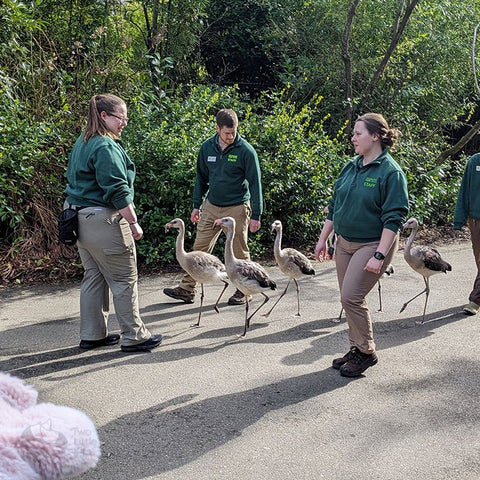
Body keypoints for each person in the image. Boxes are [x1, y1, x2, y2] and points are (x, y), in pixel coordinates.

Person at [64, 93, 162, 352]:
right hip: (102, 220)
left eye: (126, 118)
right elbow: (117, 190)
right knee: (124, 278)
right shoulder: (105, 146)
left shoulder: (82, 141)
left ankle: (93, 334)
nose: (124, 123)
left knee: (93, 276)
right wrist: (133, 222)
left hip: (78, 220)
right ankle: (134, 336)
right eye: (121, 117)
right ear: (104, 116)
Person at [315, 113, 409, 377]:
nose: (353, 138)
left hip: (373, 244)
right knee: (349, 298)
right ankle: (356, 347)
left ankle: (366, 351)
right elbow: (335, 205)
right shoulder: (351, 166)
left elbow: (394, 218)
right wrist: (324, 238)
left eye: (358, 133)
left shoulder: (391, 172)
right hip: (344, 242)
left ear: (375, 136)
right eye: (354, 134)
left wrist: (380, 254)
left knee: (351, 296)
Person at [163, 108, 263, 305]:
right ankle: (186, 289)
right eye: (227, 133)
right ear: (217, 128)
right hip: (211, 205)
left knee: (238, 251)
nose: (231, 136)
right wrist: (196, 205)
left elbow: (255, 183)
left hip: (237, 206)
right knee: (198, 250)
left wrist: (256, 215)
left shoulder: (246, 151)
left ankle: (243, 291)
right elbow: (201, 178)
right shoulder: (207, 148)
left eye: (234, 132)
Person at [453, 152, 480, 316]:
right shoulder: (474, 161)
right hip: (476, 219)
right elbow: (464, 191)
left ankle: (476, 299)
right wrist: (459, 219)